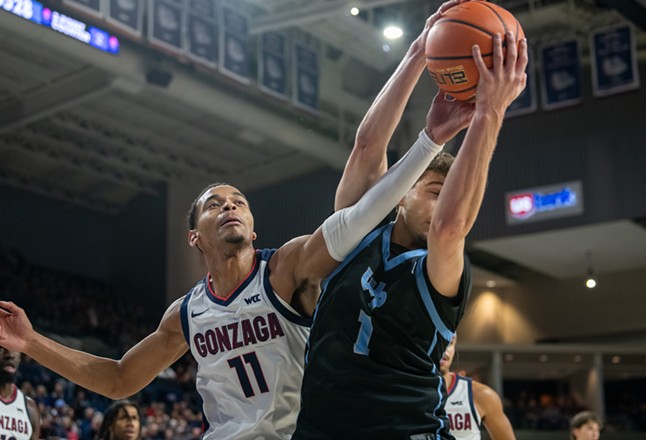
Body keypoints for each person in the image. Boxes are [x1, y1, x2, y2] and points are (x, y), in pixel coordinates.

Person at [0, 3, 471, 434]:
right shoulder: (186, 314)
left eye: (239, 201)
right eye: (214, 203)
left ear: (254, 227)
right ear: (194, 236)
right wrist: (32, 342)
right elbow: (121, 379)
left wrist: (429, 137)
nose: (229, 205)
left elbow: (363, 204)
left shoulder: (287, 268)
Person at [293, 26, 528, 439]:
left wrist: (489, 113)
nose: (444, 203)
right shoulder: (357, 234)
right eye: (435, 191)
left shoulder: (442, 270)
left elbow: (450, 227)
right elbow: (367, 145)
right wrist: (420, 52)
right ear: (401, 196)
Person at [440, 337, 515, 440]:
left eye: (449, 342)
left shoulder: (481, 394)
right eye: (437, 341)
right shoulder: (410, 393)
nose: (444, 348)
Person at [0, 347, 40, 440]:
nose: (10, 354)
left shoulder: (30, 407)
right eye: (1, 348)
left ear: (20, 357)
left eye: (14, 348)